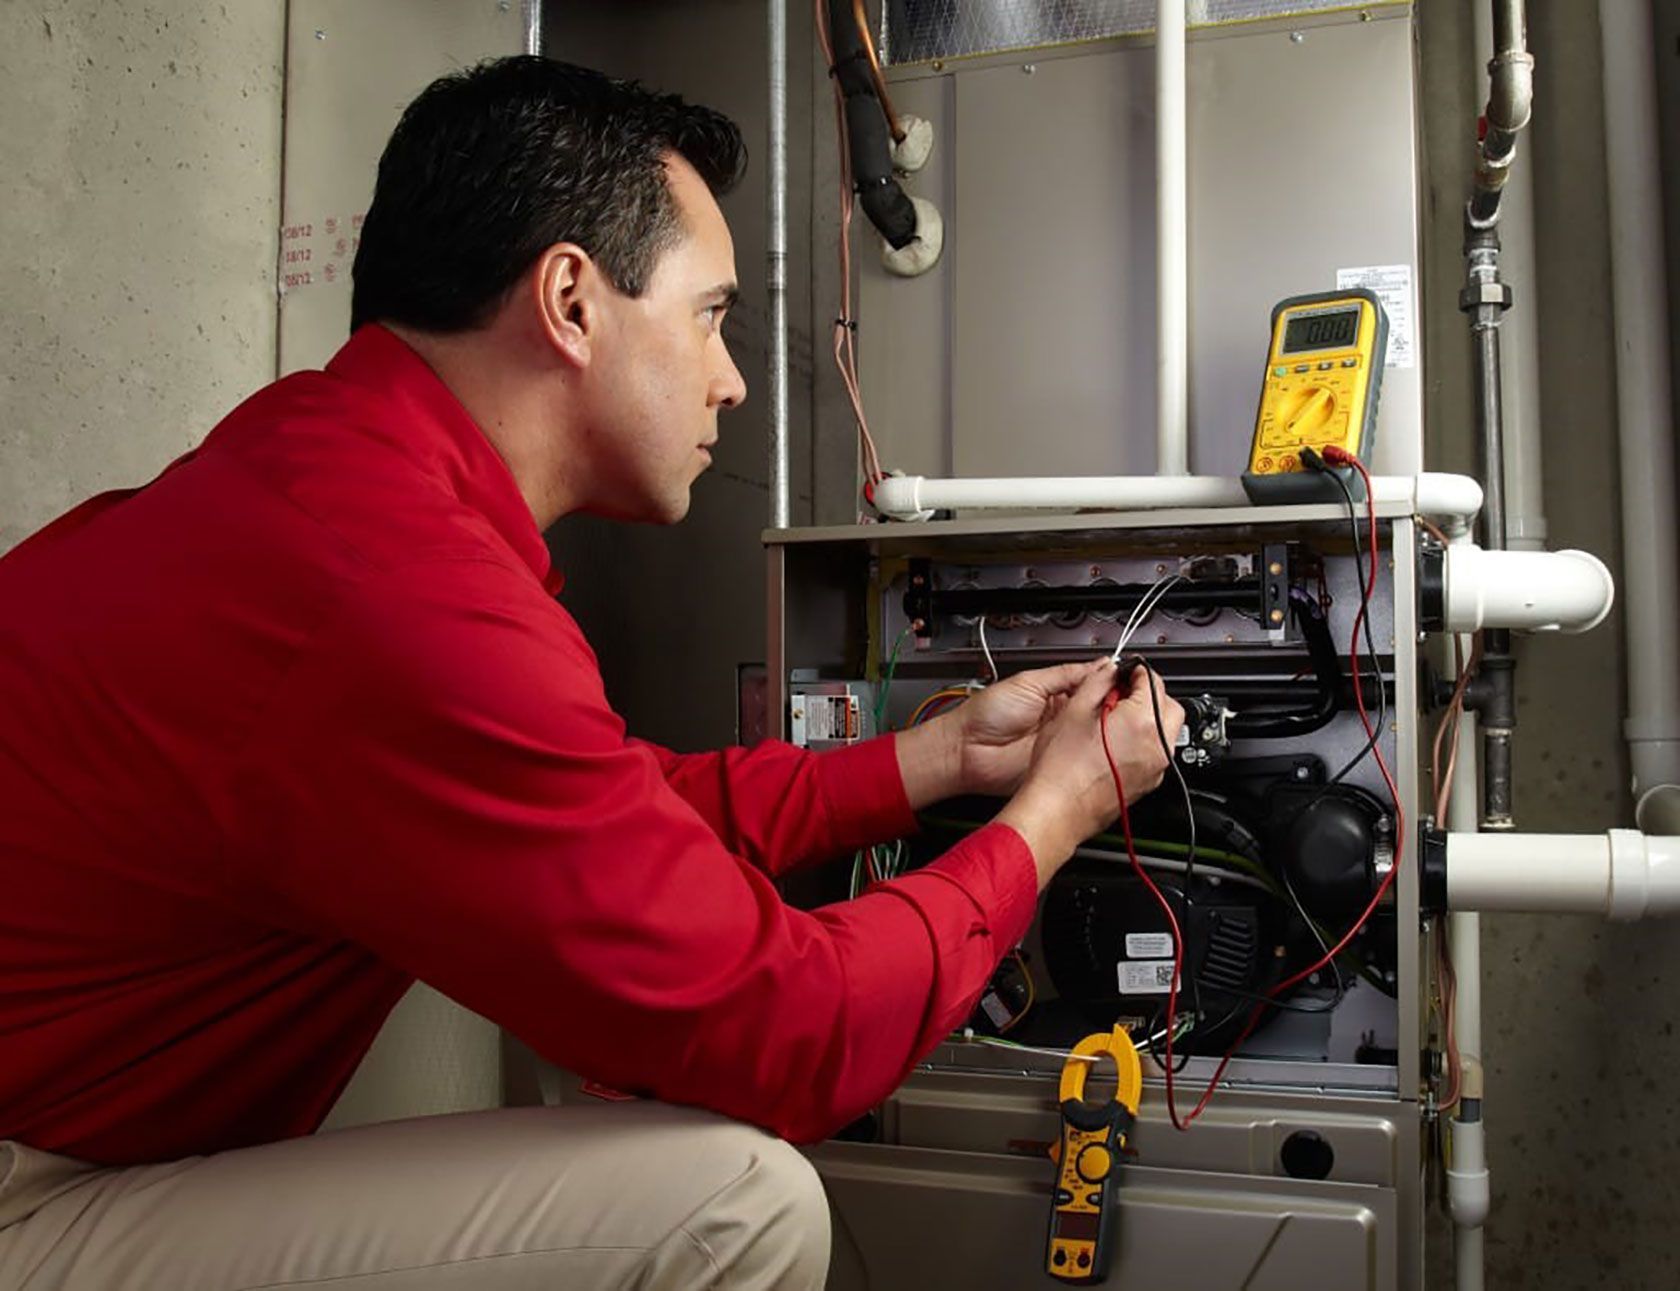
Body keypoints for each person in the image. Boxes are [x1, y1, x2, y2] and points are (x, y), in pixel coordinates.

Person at [0, 56, 1183, 1291]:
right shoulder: (393, 588)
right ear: (570, 299)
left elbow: (603, 818)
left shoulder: (331, 483)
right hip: (24, 1192)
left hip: (63, 1142)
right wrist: (1054, 816)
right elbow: (796, 1033)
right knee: (735, 1205)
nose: (729, 377)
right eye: (710, 315)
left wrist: (932, 761)